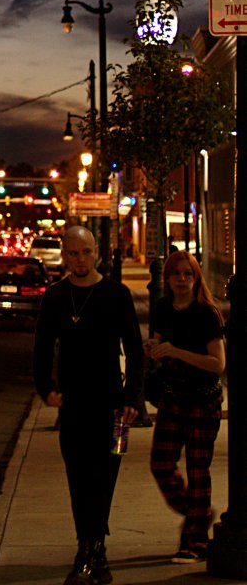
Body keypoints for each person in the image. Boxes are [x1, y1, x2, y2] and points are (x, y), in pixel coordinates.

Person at [33, 225, 143, 585]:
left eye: (85, 252)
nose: (80, 260)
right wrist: (46, 388)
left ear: (96, 252)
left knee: (105, 477)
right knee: (78, 478)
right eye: (72, 253)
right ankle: (91, 550)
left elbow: (136, 351)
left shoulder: (116, 294)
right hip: (75, 406)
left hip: (114, 408)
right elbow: (42, 346)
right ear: (64, 255)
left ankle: (91, 551)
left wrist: (132, 399)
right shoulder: (55, 297)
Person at [148, 250, 225, 565]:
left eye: (187, 274)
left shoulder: (207, 313)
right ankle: (200, 513)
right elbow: (158, 344)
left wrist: (178, 352)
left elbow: (217, 364)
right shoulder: (163, 308)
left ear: (196, 278)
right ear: (166, 278)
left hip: (201, 399)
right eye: (175, 274)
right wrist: (154, 351)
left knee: (197, 470)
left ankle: (195, 542)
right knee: (161, 464)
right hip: (172, 395)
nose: (181, 279)